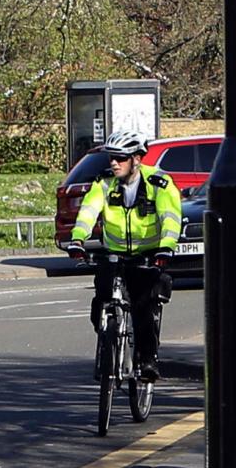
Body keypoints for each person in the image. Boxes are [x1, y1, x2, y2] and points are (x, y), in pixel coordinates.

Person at [66, 131, 181, 382]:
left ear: (137, 159)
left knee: (143, 308)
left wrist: (166, 246)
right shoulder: (104, 183)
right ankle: (107, 338)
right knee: (102, 297)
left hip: (148, 254)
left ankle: (147, 360)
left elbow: (170, 217)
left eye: (120, 158)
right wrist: (77, 239)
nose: (113, 163)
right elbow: (88, 211)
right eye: (111, 158)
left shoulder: (159, 183)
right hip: (115, 252)